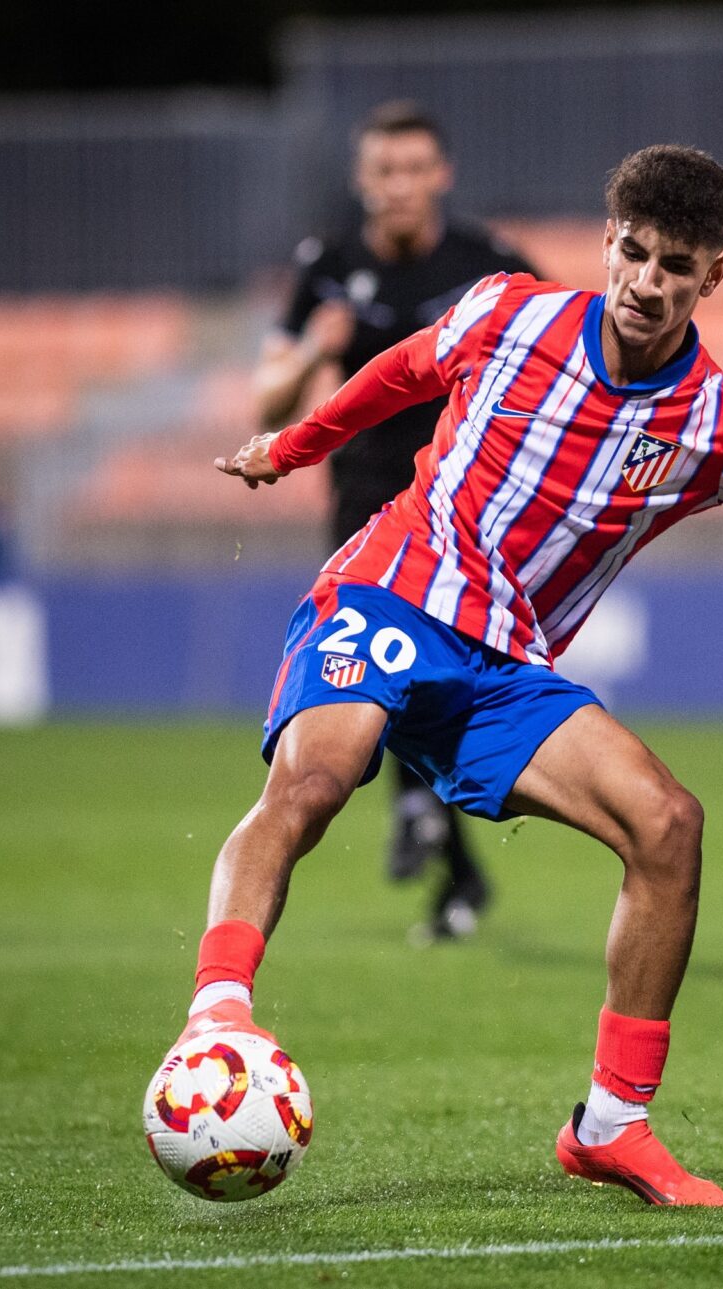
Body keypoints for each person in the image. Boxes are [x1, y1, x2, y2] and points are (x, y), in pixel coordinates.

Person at [184, 144, 723, 1207]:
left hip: (508, 661)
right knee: (317, 779)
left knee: (668, 824)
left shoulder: (714, 415)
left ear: (715, 279)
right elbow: (403, 372)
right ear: (609, 242)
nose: (649, 282)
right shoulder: (511, 316)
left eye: (678, 265)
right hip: (395, 589)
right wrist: (292, 446)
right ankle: (219, 1012)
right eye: (636, 252)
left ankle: (612, 1124)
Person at [254, 100, 538, 940]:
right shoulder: (329, 266)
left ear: (442, 175)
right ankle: (448, 856)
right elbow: (266, 398)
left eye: (416, 169)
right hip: (359, 506)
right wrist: (313, 349)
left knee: (412, 675)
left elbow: (554, 357)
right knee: (382, 676)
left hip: (463, 508)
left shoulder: (490, 266)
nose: (400, 186)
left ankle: (425, 819)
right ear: (362, 179)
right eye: (385, 171)